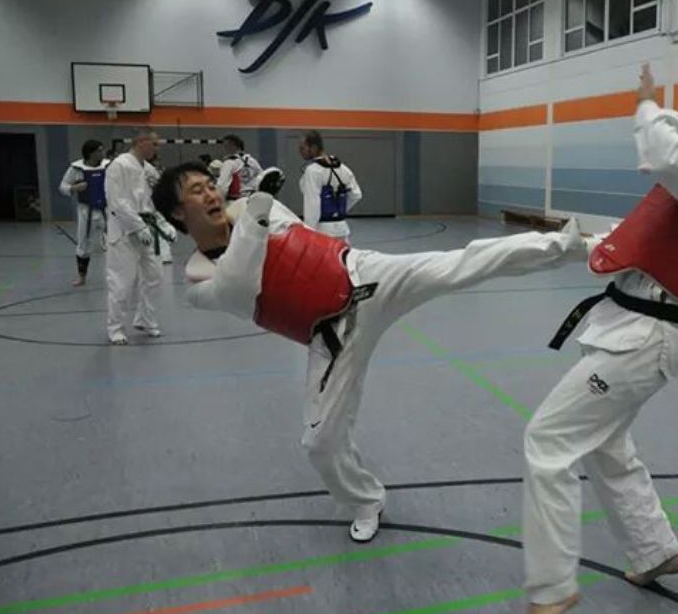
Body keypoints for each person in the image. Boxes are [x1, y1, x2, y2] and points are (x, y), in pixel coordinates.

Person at [151, 162, 586, 544]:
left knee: (463, 262)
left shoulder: (252, 209)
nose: (211, 193)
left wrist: (257, 207)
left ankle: (576, 246)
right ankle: (366, 500)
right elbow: (239, 280)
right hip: (332, 336)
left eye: (210, 184)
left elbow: (285, 235)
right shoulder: (200, 282)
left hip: (364, 274)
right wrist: (259, 207)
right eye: (196, 190)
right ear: (177, 213)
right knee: (320, 443)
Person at [518, 64, 678, 614]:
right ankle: (655, 550)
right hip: (628, 329)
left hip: (644, 340)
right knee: (606, 444)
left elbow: (659, 150)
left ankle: (552, 589)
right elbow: (641, 241)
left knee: (546, 441)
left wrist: (652, 104)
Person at [105, 127, 175, 345]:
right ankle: (115, 328)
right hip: (124, 231)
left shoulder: (149, 169)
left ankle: (145, 319)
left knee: (155, 276)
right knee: (122, 282)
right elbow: (117, 202)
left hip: (148, 229)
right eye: (154, 144)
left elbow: (153, 201)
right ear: (141, 142)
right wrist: (138, 226)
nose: (156, 149)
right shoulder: (119, 165)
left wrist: (163, 223)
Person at [58, 139, 109, 286]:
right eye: (99, 150)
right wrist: (74, 188)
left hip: (107, 209)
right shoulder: (76, 168)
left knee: (118, 241)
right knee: (83, 244)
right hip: (86, 211)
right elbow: (63, 186)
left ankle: (121, 275)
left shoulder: (108, 166)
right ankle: (82, 276)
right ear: (90, 153)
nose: (102, 153)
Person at [298, 130, 362, 240]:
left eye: (302, 148)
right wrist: (338, 210)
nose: (300, 152)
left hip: (322, 231)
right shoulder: (343, 168)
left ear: (313, 148)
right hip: (342, 229)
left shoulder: (313, 171)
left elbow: (312, 205)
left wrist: (308, 233)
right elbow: (356, 194)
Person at [216, 134, 264, 201]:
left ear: (231, 146)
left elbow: (222, 186)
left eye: (225, 146)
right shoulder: (252, 161)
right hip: (255, 199)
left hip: (237, 200)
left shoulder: (229, 163)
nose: (224, 149)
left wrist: (219, 201)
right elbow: (263, 178)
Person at [143, 153, 172, 264]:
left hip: (158, 203)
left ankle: (165, 255)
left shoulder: (160, 171)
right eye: (157, 160)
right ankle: (160, 255)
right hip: (150, 203)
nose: (159, 162)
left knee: (161, 226)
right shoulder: (148, 171)